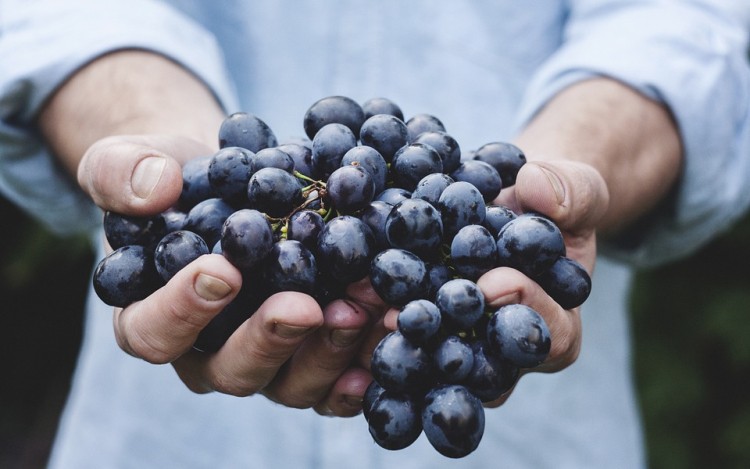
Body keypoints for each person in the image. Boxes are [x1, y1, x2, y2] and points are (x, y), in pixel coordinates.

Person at [1, 1, 749, 467]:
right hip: (168, 438)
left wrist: (565, 171)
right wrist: (147, 140)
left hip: (538, 433)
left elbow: (681, 24)